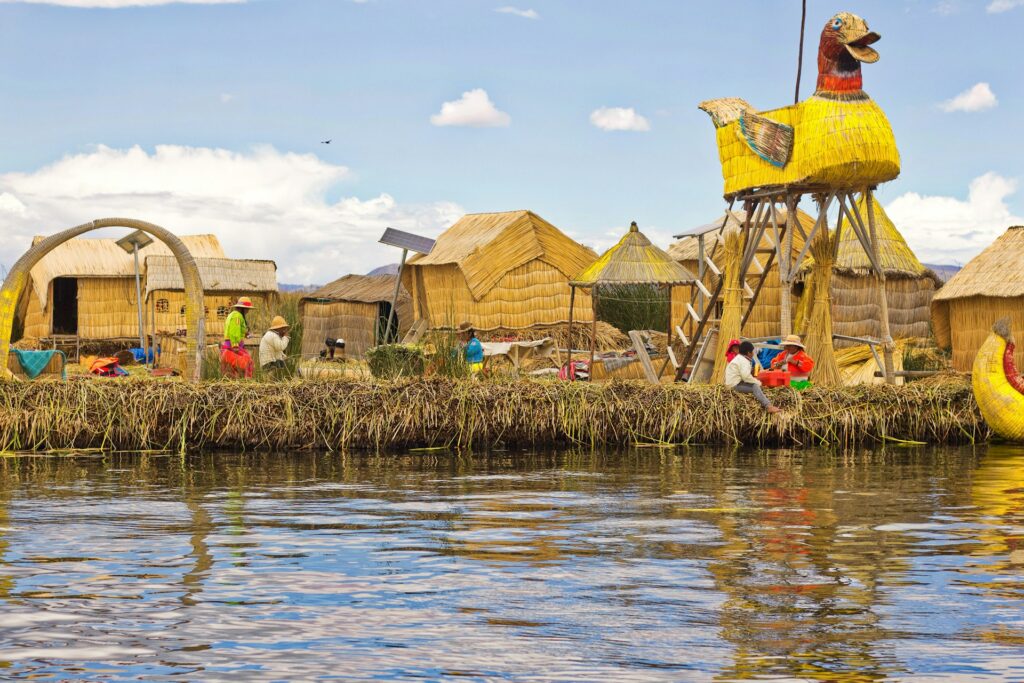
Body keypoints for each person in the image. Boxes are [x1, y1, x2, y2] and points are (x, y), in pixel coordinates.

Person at [726, 341, 781, 414]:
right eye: (752, 351)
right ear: (749, 353)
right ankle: (768, 406)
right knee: (755, 386)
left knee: (755, 383)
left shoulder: (740, 358)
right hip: (735, 385)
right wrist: (758, 383)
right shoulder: (743, 361)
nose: (753, 353)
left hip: (734, 382)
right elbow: (746, 377)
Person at [220, 297, 255, 378]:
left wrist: (245, 333)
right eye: (247, 309)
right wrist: (235, 345)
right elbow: (234, 331)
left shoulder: (232, 314)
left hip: (231, 344)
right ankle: (247, 380)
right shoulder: (237, 316)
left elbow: (237, 330)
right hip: (233, 346)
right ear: (242, 308)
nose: (248, 311)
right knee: (248, 362)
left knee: (234, 369)